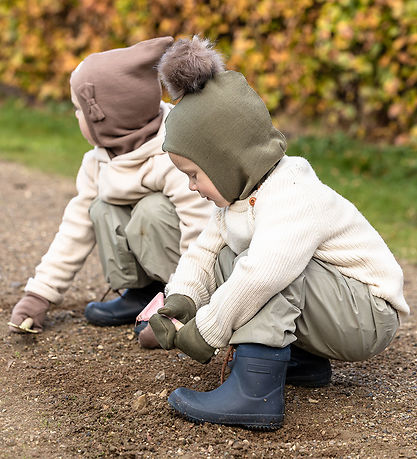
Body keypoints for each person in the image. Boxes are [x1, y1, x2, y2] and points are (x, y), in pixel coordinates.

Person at [147, 36, 409, 430]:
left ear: (227, 161)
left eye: (195, 175)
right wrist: (182, 298)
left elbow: (264, 273)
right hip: (334, 306)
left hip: (366, 315)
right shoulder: (242, 195)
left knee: (260, 267)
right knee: (227, 255)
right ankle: (298, 361)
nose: (191, 187)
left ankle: (255, 393)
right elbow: (205, 249)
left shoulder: (292, 193)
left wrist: (205, 331)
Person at [8, 37, 213, 335]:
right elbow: (75, 228)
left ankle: (169, 300)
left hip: (185, 275)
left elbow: (200, 232)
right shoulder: (98, 161)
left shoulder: (174, 154)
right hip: (156, 264)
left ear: (103, 117)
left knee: (151, 211)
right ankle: (142, 293)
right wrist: (39, 294)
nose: (75, 115)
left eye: (79, 109)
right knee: (99, 207)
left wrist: (183, 305)